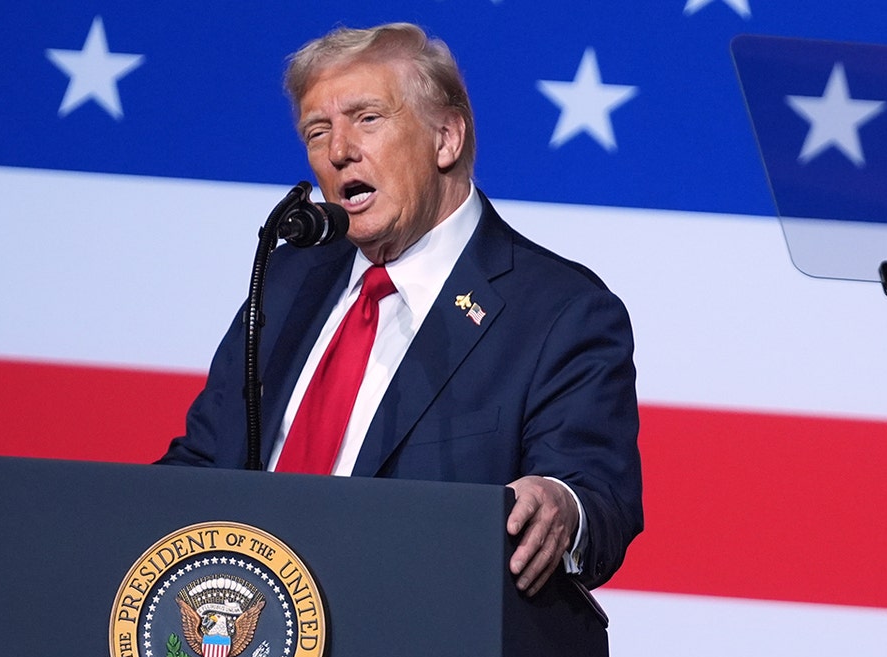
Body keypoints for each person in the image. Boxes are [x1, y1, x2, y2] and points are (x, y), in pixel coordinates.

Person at [158, 22, 642, 596]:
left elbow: (597, 497)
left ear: (446, 139)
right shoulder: (286, 281)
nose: (339, 152)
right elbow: (202, 466)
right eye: (318, 131)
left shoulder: (560, 311)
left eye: (367, 119)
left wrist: (563, 503)